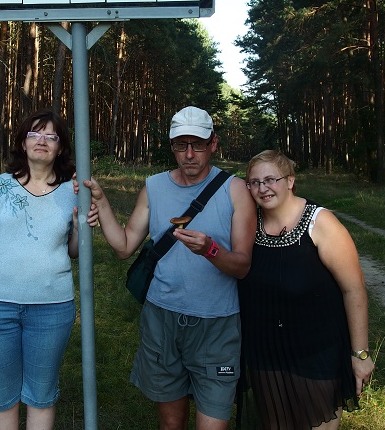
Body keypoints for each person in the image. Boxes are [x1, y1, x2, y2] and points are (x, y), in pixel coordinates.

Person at [85, 105, 256, 430]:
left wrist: (210, 250)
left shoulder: (235, 190)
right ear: (171, 146)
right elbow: (124, 246)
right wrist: (102, 201)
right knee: (171, 423)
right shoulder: (154, 187)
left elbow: (242, 266)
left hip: (216, 325)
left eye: (198, 145)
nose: (189, 155)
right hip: (161, 320)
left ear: (213, 144)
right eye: (181, 145)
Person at [236, 150, 374, 430]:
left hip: (317, 353)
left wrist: (360, 354)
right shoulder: (249, 224)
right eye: (254, 182)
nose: (263, 188)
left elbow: (354, 290)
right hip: (266, 354)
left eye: (271, 179)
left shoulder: (320, 223)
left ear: (290, 181)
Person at [0, 108, 79, 430]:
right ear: (22, 143)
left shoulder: (73, 191)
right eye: (34, 134)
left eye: (51, 136)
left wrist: (80, 227)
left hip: (52, 309)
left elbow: (75, 251)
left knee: (41, 396)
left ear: (61, 147)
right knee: (2, 397)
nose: (42, 141)